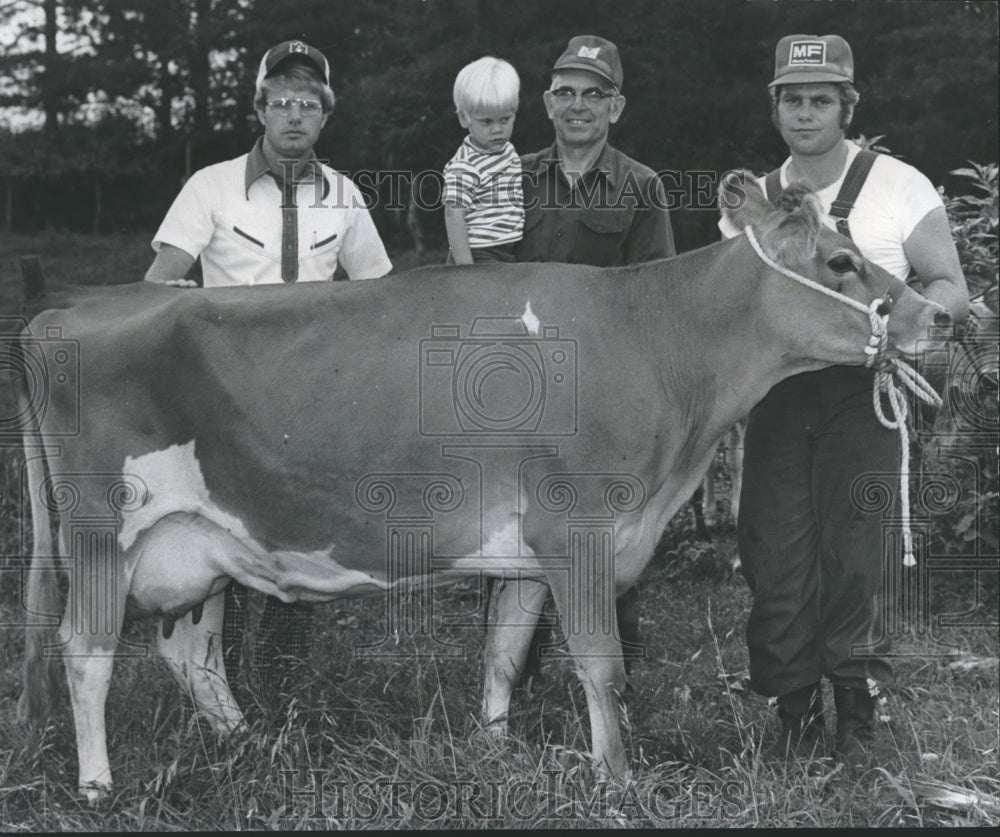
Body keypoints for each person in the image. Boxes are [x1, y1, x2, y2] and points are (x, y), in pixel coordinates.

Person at [719, 34, 968, 766]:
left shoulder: (899, 185)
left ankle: (856, 717)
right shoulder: (752, 202)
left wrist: (909, 324)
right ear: (775, 108)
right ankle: (791, 713)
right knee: (774, 554)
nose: (805, 113)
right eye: (792, 100)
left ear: (847, 106)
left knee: (859, 554)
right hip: (779, 393)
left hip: (864, 393)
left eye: (821, 100)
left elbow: (948, 286)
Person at [145, 39, 393, 696]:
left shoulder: (344, 195)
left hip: (311, 399)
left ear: (325, 115)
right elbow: (157, 284)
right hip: (223, 400)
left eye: (308, 103)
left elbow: (381, 298)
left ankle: (281, 686)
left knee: (298, 534)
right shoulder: (210, 187)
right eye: (281, 101)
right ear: (259, 109)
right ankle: (213, 680)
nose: (294, 115)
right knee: (223, 534)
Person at [505, 35, 676, 690]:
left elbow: (655, 299)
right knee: (518, 531)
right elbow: (481, 276)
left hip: (602, 394)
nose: (579, 105)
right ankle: (515, 681)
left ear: (616, 106)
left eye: (594, 94)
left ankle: (614, 684)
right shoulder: (508, 177)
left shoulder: (642, 187)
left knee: (602, 534)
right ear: (548, 103)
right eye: (567, 93)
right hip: (516, 387)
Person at [443, 57, 524, 264]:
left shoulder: (508, 151)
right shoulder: (465, 164)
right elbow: (453, 214)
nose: (497, 130)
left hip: (509, 249)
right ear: (464, 118)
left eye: (505, 119)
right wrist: (466, 269)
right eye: (486, 122)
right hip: (479, 254)